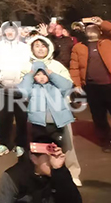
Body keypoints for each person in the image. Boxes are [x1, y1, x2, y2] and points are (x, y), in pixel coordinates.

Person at [22, 35, 82, 185]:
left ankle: (72, 173)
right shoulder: (27, 66)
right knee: (40, 146)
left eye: (43, 46)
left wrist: (50, 73)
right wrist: (32, 74)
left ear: (48, 48)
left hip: (59, 113)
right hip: (38, 114)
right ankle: (44, 173)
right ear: (31, 48)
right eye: (37, 46)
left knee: (67, 144)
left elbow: (67, 85)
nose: (40, 49)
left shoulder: (56, 65)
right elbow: (23, 89)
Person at [0, 136, 82, 203]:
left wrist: (60, 171)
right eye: (49, 157)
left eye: (55, 156)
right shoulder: (14, 177)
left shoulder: (59, 173)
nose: (53, 161)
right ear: (33, 158)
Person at [69, 16, 111, 153]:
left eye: (93, 26)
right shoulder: (78, 47)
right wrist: (77, 84)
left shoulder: (108, 42)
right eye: (87, 27)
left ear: (100, 30)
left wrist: (102, 23)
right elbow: (74, 67)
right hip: (92, 87)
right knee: (99, 117)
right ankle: (106, 141)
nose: (90, 28)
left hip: (110, 85)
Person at [0, 22, 31, 157]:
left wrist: (24, 80)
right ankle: (5, 143)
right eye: (7, 30)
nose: (10, 33)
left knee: (22, 117)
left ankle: (21, 144)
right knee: (4, 116)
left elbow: (29, 64)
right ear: (4, 32)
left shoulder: (24, 47)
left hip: (21, 88)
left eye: (13, 30)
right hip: (4, 87)